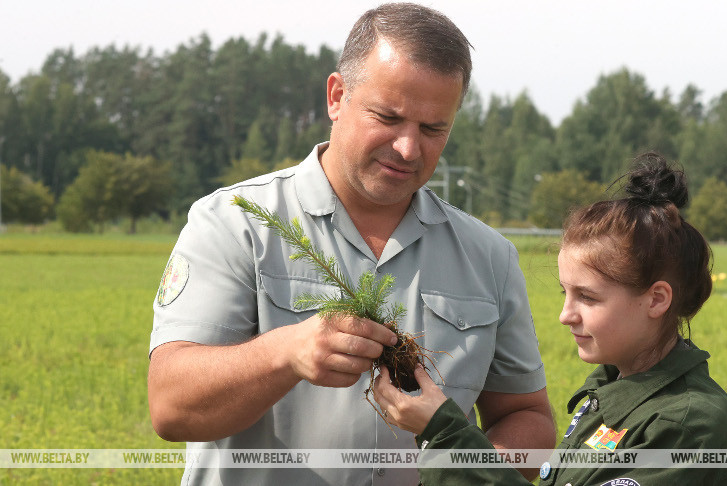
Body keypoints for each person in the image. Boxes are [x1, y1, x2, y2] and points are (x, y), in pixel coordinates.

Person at [147, 3, 555, 485]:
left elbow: (529, 417)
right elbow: (171, 407)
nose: (408, 147)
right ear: (337, 96)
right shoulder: (235, 224)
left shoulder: (489, 257)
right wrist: (286, 352)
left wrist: (470, 471)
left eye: (432, 129)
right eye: (388, 116)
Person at [373, 153, 727, 485]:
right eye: (566, 293)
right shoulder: (612, 394)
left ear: (656, 299)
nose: (565, 316)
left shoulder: (685, 426)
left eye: (587, 297)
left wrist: (443, 432)